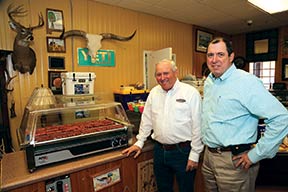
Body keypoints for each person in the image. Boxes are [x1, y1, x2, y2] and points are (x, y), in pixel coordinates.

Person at [201, 37, 288, 192]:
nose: (214, 60)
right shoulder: (210, 81)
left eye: (220, 54)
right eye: (210, 55)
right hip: (209, 157)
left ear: (231, 57)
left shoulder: (246, 82)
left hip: (234, 161)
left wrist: (255, 155)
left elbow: (282, 117)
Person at [122, 59, 203, 192]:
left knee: (186, 189)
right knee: (163, 189)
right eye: (158, 75)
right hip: (159, 151)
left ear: (175, 72)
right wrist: (140, 142)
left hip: (183, 152)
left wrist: (195, 154)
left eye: (166, 73)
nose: (162, 78)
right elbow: (147, 119)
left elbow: (198, 125)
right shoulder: (154, 92)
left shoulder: (190, 93)